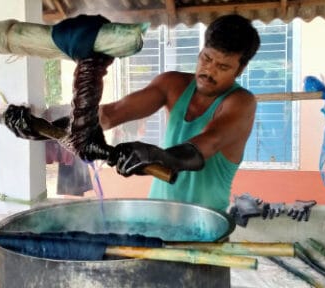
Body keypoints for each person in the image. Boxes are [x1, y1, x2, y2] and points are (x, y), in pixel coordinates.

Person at [100, 14, 259, 212]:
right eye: (206, 58)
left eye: (223, 66)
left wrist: (155, 155)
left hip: (206, 227)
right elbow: (111, 114)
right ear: (200, 51)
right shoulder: (172, 85)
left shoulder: (241, 102)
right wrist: (73, 122)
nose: (208, 71)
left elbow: (208, 143)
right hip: (157, 216)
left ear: (240, 69)